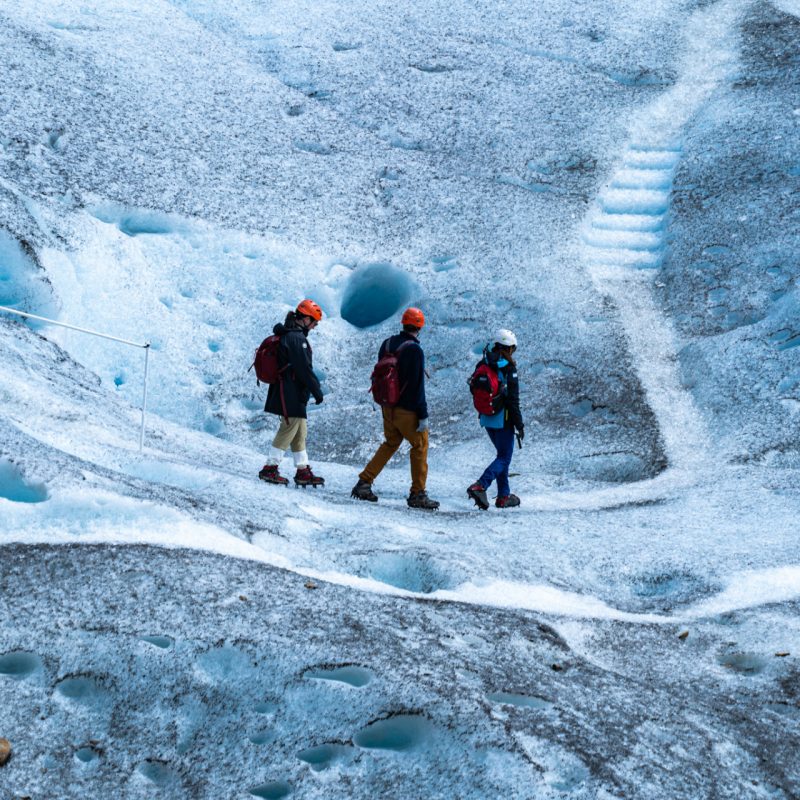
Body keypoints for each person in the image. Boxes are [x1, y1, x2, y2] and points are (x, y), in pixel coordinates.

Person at [351, 307, 440, 510]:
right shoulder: (415, 350)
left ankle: (364, 482)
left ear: (403, 323)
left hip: (387, 405)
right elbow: (417, 385)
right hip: (407, 409)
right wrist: (423, 414)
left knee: (391, 443)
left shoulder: (388, 343)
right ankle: (418, 493)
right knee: (419, 446)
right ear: (420, 327)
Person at [258, 299, 326, 488]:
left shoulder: (289, 335)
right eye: (313, 322)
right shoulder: (297, 339)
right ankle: (270, 468)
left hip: (289, 389)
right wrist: (317, 390)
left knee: (300, 431)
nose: (314, 326)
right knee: (289, 428)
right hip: (290, 391)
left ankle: (302, 470)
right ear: (304, 319)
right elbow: (303, 369)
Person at [467, 329, 524, 509]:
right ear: (509, 348)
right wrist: (519, 425)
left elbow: (473, 389)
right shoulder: (508, 368)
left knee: (501, 457)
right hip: (503, 420)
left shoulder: (482, 363)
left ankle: (503, 496)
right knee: (504, 457)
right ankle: (480, 485)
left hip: (486, 418)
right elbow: (513, 401)